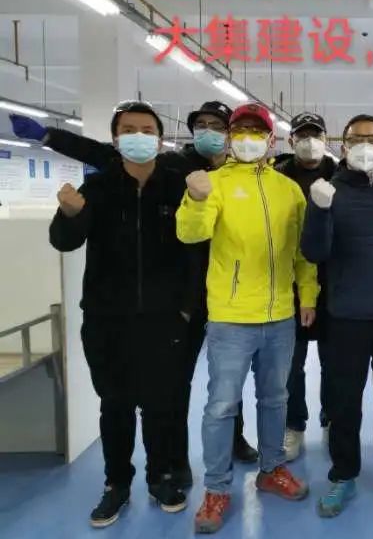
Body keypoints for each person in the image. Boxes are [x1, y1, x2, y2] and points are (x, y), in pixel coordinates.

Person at [10, 103, 260, 477]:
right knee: (166, 390)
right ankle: (163, 468)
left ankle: (229, 442)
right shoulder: (175, 169)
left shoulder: (246, 172)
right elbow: (103, 155)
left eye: (217, 125)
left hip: (228, 295)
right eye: (201, 124)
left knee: (227, 379)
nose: (209, 131)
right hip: (176, 301)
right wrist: (49, 136)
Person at [48, 100, 192, 527]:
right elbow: (65, 241)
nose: (138, 137)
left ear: (160, 140)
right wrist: (69, 215)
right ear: (115, 139)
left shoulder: (177, 186)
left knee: (161, 405)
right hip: (107, 319)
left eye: (147, 130)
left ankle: (160, 478)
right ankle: (117, 484)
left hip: (164, 319)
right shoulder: (97, 188)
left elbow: (195, 250)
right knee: (115, 405)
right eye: (129, 130)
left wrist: (187, 309)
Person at [176, 102, 318, 534]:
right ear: (230, 137)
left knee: (275, 398)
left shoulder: (288, 190)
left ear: (271, 140)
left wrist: (308, 295)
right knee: (221, 406)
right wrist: (196, 199)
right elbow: (191, 233)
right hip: (231, 317)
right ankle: (217, 488)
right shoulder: (213, 183)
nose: (248, 138)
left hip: (280, 316)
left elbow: (302, 252)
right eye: (241, 130)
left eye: (257, 131)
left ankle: (271, 469)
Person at [302, 114, 373, 518]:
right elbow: (314, 252)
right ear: (343, 146)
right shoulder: (328, 192)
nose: (365, 146)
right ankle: (343, 474)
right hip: (346, 316)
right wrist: (319, 211)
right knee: (344, 403)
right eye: (356, 139)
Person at [275, 112, 338, 462]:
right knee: (290, 364)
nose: (309, 142)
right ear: (291, 140)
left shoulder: (341, 176)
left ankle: (331, 419)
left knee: (334, 362)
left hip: (333, 283)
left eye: (316, 135)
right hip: (288, 284)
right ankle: (293, 425)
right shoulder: (276, 178)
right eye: (302, 135)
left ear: (326, 140)